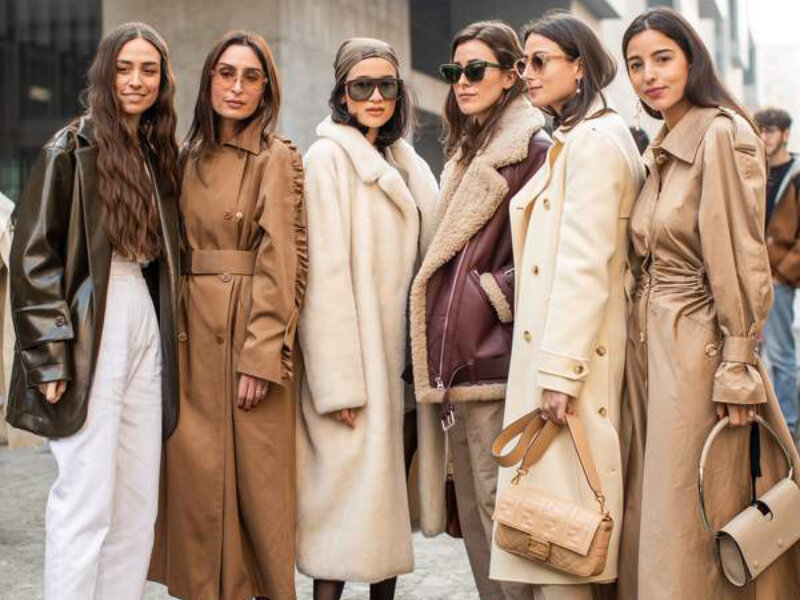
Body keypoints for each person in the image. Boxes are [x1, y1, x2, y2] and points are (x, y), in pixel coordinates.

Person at [618, 8, 800, 600]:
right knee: (666, 505)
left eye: (662, 58)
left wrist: (739, 365)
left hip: (698, 348)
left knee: (697, 505)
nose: (648, 74)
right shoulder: (665, 142)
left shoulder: (720, 132)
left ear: (693, 59)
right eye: (636, 64)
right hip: (652, 348)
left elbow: (741, 258)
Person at [7, 22, 180, 600]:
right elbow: (33, 256)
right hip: (89, 323)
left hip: (143, 319)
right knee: (85, 497)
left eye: (148, 70)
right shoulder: (70, 148)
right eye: (125, 68)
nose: (136, 80)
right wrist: (50, 357)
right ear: (104, 73)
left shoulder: (155, 152)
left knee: (136, 502)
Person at [487, 12, 644, 600]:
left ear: (579, 66)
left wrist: (559, 373)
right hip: (564, 361)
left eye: (539, 61)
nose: (526, 73)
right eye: (523, 62)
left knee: (566, 539)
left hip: (571, 368)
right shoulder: (579, 139)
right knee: (555, 531)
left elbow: (585, 266)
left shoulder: (596, 145)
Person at [148, 31, 306, 600]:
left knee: (257, 490)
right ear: (208, 79)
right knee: (193, 481)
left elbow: (281, 262)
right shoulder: (184, 157)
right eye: (225, 73)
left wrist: (262, 356)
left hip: (246, 336)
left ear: (266, 88)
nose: (236, 87)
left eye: (250, 76)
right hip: (188, 336)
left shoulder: (277, 156)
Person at [408, 20, 551, 600]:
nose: (461, 82)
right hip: (461, 365)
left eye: (475, 70)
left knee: (498, 511)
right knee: (472, 514)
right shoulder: (466, 151)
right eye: (454, 71)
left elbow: (549, 255)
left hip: (494, 361)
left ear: (512, 75)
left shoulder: (530, 150)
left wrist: (487, 299)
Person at [296, 37, 438, 600]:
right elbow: (323, 278)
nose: (375, 96)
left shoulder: (407, 162)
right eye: (362, 86)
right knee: (338, 514)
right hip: (353, 370)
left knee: (385, 509)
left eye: (386, 86)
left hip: (401, 368)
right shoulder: (326, 159)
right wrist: (338, 385)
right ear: (342, 93)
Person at [754, 107, 800, 438]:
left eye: (770, 131)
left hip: (779, 278)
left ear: (785, 133)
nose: (764, 137)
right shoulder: (754, 171)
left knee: (782, 355)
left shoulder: (796, 176)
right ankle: (758, 423)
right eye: (760, 131)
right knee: (749, 352)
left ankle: (789, 427)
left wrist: (782, 274)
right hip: (751, 274)